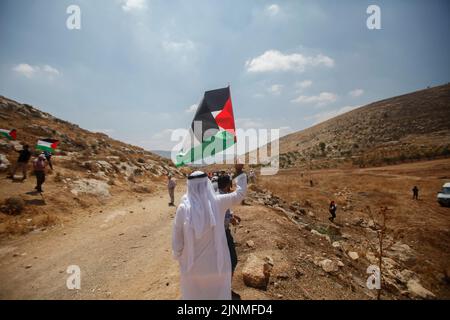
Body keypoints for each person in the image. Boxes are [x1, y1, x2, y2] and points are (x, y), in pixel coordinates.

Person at [172, 164, 247, 300]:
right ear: (207, 183)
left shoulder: (183, 208)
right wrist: (239, 172)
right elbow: (240, 194)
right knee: (216, 294)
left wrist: (178, 255)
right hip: (216, 265)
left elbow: (177, 239)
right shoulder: (218, 202)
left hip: (192, 266)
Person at [217, 175, 241, 275]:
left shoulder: (219, 195)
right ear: (227, 185)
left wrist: (232, 215)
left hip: (223, 233)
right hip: (223, 233)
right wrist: (230, 220)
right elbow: (218, 218)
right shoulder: (221, 197)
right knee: (232, 260)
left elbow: (225, 211)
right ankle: (226, 286)